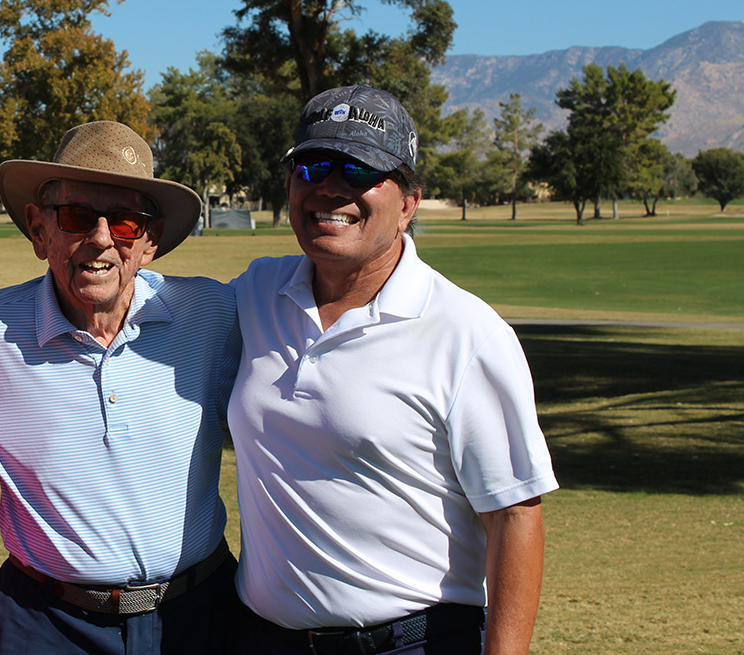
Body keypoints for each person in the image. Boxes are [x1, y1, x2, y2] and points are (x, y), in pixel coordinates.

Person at [228, 85, 558, 655]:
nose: (329, 186)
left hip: (409, 643)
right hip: (259, 638)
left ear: (408, 202)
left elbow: (514, 516)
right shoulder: (255, 293)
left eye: (359, 170)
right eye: (312, 165)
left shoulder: (465, 332)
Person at [0, 122, 243, 654]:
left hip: (200, 618)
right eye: (78, 216)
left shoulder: (212, 315)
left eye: (128, 221)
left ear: (152, 240)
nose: (101, 237)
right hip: (48, 626)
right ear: (39, 229)